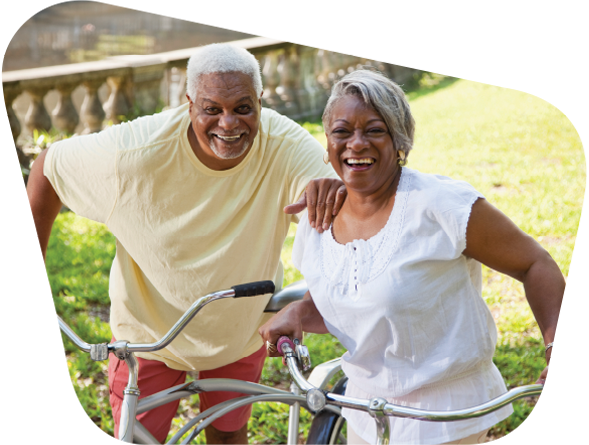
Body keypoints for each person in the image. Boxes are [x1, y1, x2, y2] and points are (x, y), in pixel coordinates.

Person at [27, 43, 346, 445]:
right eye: (212, 109)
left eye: (243, 108)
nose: (228, 124)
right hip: (148, 338)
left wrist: (332, 196)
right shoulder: (136, 152)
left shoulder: (284, 145)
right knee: (136, 440)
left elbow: (336, 207)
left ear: (261, 102)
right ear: (189, 103)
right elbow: (47, 170)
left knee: (228, 436)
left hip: (237, 329)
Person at [260, 70, 564, 445]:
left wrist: (564, 351)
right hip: (364, 408)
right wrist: (298, 312)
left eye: (374, 130)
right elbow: (354, 295)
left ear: (400, 141)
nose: (356, 143)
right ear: (327, 142)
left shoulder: (440, 206)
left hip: (446, 413)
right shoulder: (318, 219)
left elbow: (535, 263)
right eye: (342, 132)